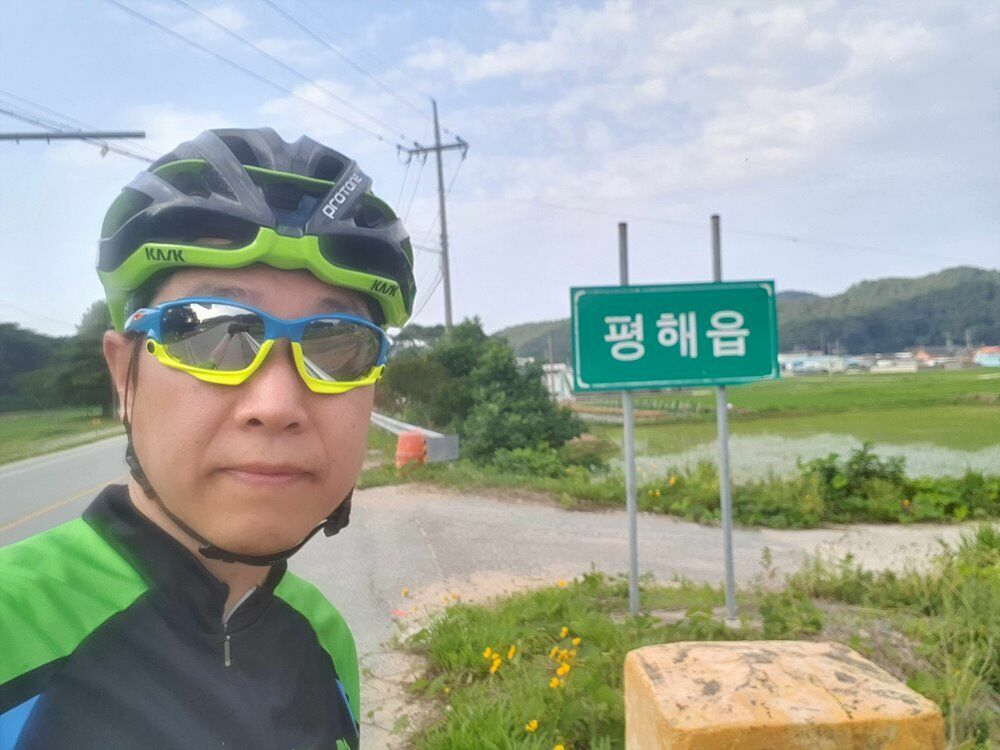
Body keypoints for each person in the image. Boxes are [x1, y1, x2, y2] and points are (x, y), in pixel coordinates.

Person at [0, 127, 416, 749]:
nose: (277, 407)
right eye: (209, 332)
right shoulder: (11, 624)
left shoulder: (326, 635)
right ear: (124, 376)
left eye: (338, 345)